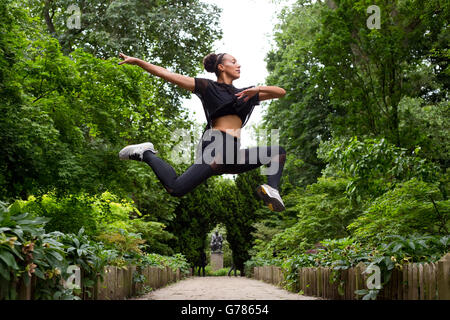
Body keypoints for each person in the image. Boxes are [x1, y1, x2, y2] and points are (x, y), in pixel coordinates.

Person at [117, 52, 287, 211]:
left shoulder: (245, 94)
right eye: (233, 62)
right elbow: (167, 74)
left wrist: (256, 90)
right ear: (221, 67)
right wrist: (138, 62)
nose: (238, 65)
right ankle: (146, 153)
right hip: (217, 146)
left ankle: (272, 189)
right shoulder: (208, 87)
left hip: (233, 154)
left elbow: (281, 92)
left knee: (277, 153)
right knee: (175, 188)